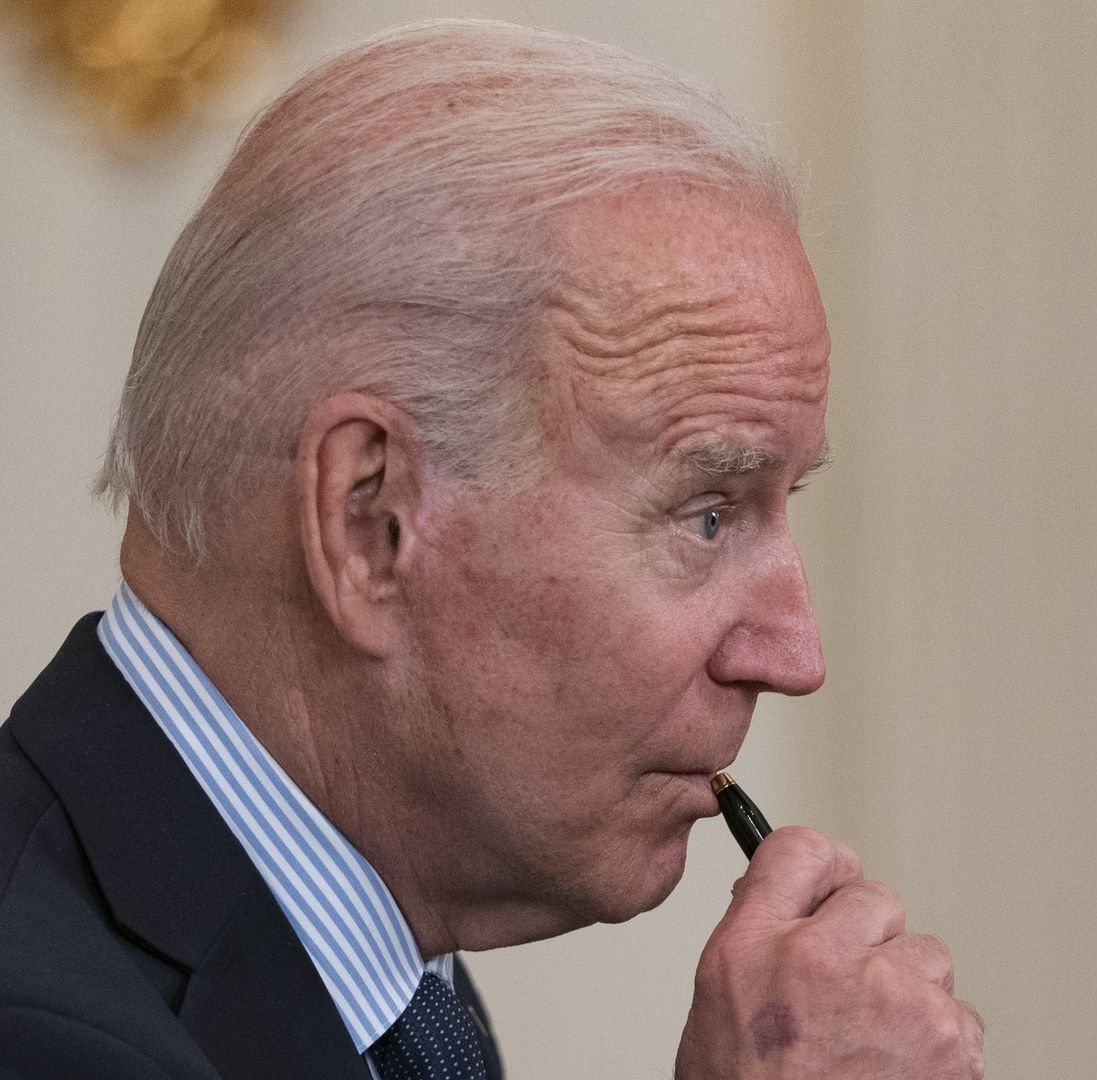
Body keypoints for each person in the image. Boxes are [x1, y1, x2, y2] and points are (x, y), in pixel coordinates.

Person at [0, 19, 983, 1080]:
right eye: (708, 514)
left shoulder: (395, 992)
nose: (795, 656)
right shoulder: (41, 1029)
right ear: (369, 522)